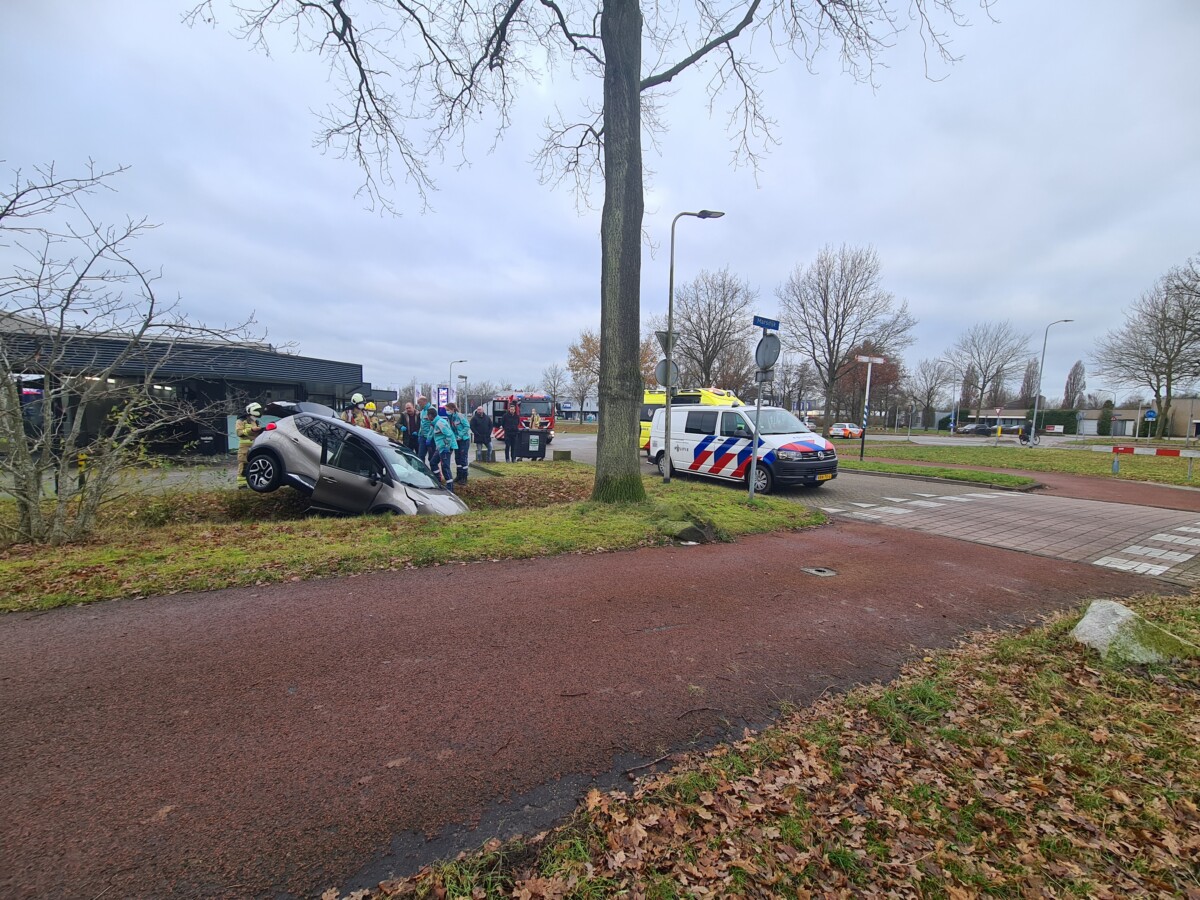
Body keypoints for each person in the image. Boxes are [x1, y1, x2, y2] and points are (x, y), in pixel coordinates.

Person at [426, 406, 458, 491]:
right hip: (440, 447)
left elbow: (449, 435)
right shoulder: (434, 423)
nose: (426, 417)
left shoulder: (440, 423)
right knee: (433, 462)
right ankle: (438, 480)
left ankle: (450, 487)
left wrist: (447, 447)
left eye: (427, 415)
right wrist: (428, 439)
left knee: (445, 467)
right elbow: (432, 433)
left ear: (431, 415)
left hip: (445, 447)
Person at [236, 402, 264, 487]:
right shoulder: (241, 421)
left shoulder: (256, 421)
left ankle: (254, 483)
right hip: (244, 449)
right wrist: (251, 430)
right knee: (244, 466)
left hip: (255, 447)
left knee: (255, 466)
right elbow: (239, 433)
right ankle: (242, 485)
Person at [444, 401, 471, 484]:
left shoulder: (460, 416)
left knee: (463, 458)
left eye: (447, 410)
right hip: (456, 440)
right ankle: (459, 475)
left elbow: (467, 426)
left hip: (464, 440)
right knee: (457, 458)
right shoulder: (450, 418)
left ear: (452, 409)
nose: (446, 411)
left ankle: (464, 477)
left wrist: (460, 435)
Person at [416, 395, 437, 467]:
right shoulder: (422, 411)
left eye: (419, 402)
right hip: (422, 436)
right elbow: (422, 424)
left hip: (430, 438)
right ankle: (422, 472)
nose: (419, 404)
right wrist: (419, 434)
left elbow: (434, 425)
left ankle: (434, 473)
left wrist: (430, 437)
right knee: (420, 456)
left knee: (431, 457)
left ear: (424, 401)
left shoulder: (432, 410)